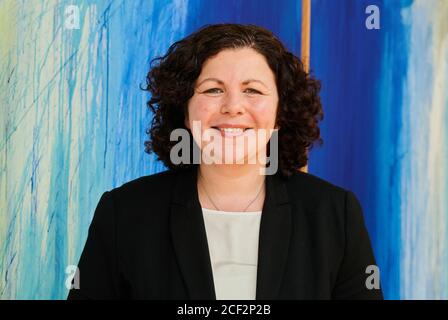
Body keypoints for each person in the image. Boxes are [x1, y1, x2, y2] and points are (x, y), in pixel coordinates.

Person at [67, 23, 383, 300]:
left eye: (253, 90)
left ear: (280, 114)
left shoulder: (334, 214)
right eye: (213, 89)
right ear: (185, 110)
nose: (233, 106)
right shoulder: (125, 213)